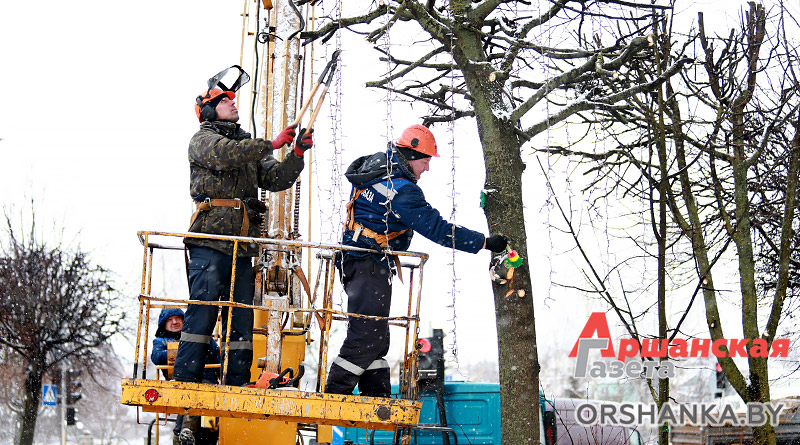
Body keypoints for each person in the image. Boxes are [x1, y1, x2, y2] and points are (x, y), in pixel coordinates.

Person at [172, 84, 313, 445]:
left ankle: (236, 390)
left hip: (242, 249)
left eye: (233, 100)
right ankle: (187, 399)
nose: (233, 104)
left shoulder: (247, 145)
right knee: (201, 318)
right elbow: (227, 156)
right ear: (207, 110)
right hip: (210, 243)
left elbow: (276, 178)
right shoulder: (203, 141)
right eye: (224, 101)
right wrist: (272, 143)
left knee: (241, 324)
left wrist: (295, 153)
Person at [325, 124, 509, 398]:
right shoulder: (402, 191)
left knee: (375, 335)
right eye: (425, 161)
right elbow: (438, 229)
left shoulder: (376, 171)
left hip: (357, 258)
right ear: (410, 156)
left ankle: (376, 395)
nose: (427, 169)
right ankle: (333, 396)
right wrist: (484, 242)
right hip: (367, 261)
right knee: (366, 335)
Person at [151, 308, 220, 444]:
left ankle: (186, 434)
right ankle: (185, 434)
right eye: (170, 320)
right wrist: (184, 351)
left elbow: (217, 355)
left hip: (206, 380)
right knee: (190, 397)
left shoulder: (200, 336)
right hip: (180, 380)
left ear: (185, 321)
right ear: (163, 324)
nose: (175, 322)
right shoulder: (161, 341)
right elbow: (157, 357)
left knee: (199, 407)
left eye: (178, 319)